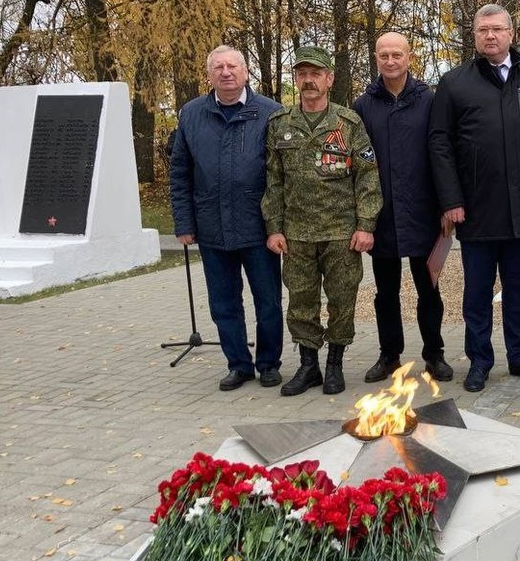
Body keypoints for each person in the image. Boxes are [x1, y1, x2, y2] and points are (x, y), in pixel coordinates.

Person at [430, 4, 520, 393]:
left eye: (497, 29)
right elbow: (439, 144)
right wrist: (450, 199)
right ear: (474, 36)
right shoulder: (454, 83)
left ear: (511, 33)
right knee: (477, 293)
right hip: (476, 209)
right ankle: (480, 361)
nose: (490, 36)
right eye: (482, 30)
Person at [263, 46, 381, 395]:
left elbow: (368, 177)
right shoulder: (280, 124)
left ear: (330, 79)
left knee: (342, 299)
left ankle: (335, 364)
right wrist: (273, 228)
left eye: (316, 73)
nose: (309, 80)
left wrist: (366, 225)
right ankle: (308, 365)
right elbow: (273, 181)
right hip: (296, 234)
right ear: (296, 79)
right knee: (301, 301)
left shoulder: (348, 123)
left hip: (341, 232)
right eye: (303, 74)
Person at [170, 45, 284, 392]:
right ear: (209, 75)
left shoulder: (270, 112)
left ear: (246, 72)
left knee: (268, 301)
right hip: (211, 226)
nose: (226, 72)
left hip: (258, 226)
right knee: (223, 304)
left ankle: (268, 364)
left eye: (232, 66)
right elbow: (180, 172)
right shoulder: (191, 114)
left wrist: (279, 225)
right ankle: (238, 364)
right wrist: (184, 223)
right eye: (218, 67)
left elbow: (281, 175)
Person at [352, 32, 452, 384]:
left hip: (423, 213)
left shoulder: (429, 101)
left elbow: (443, 155)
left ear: (410, 57)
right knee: (385, 293)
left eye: (397, 54)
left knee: (429, 290)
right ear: (376, 59)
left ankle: (434, 355)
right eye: (384, 55)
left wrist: (446, 206)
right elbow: (356, 162)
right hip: (383, 216)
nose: (390, 61)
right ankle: (389, 355)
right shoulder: (363, 105)